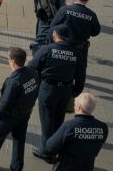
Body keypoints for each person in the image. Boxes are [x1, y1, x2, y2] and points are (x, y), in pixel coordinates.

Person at [0, 47, 39, 171]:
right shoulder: (32, 74)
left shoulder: (13, 81)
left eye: (9, 59)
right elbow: (36, 91)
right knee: (19, 140)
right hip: (25, 113)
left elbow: (6, 101)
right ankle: (17, 167)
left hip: (10, 115)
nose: (8, 61)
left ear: (13, 61)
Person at [28, 24, 86, 162]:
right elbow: (81, 77)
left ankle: (47, 152)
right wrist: (74, 92)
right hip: (65, 91)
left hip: (48, 89)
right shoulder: (77, 54)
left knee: (47, 121)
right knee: (59, 121)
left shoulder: (47, 49)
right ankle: (56, 148)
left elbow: (31, 66)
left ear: (55, 35)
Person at [44, 92, 109, 170]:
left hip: (67, 166)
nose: (74, 105)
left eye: (75, 104)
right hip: (88, 166)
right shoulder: (103, 127)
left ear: (79, 107)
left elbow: (50, 146)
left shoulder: (69, 126)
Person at [50, 0, 101, 73]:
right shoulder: (91, 15)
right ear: (87, 0)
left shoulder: (65, 9)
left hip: (64, 45)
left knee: (61, 69)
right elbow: (96, 32)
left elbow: (53, 25)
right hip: (80, 48)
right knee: (80, 70)